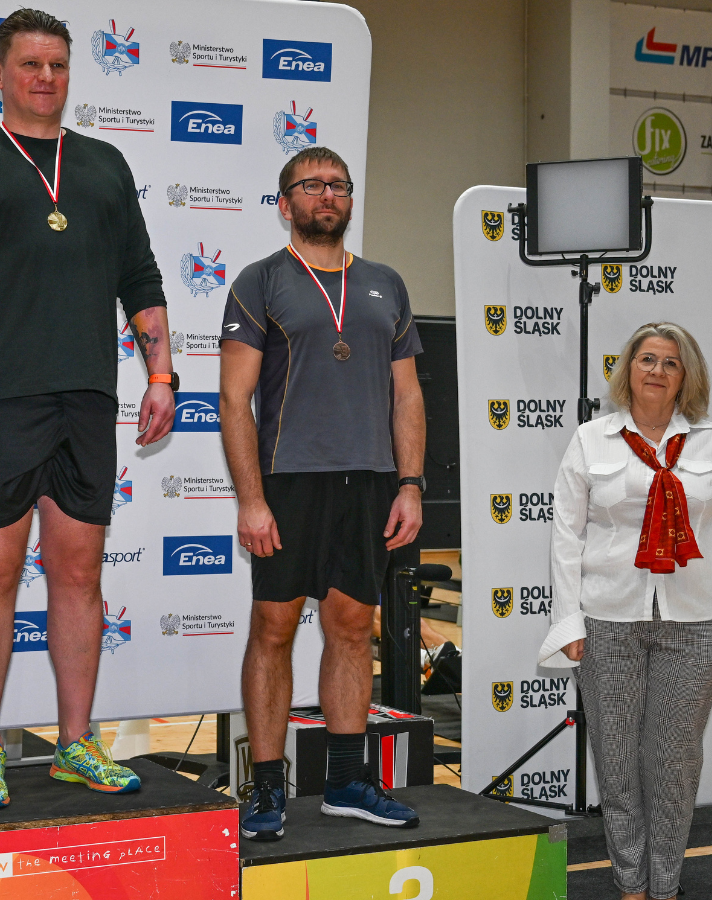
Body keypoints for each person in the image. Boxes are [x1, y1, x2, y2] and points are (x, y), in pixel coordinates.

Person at [0, 8, 175, 810]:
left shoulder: (104, 163)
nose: (46, 77)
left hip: (86, 398)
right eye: (30, 64)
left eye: (57, 65)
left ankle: (75, 742)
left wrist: (161, 374)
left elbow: (141, 275)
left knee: (80, 572)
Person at [220, 146, 426, 841]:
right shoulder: (260, 281)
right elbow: (234, 399)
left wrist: (410, 484)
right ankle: (266, 786)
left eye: (338, 185)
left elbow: (407, 395)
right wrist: (251, 500)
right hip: (288, 482)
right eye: (311, 185)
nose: (327, 195)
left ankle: (344, 783)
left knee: (351, 628)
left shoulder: (385, 283)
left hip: (369, 481)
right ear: (286, 203)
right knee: (273, 631)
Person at [539, 322, 712, 900]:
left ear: (686, 376)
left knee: (673, 764)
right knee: (616, 764)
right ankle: (630, 885)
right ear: (628, 369)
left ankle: (665, 886)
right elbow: (566, 536)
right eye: (646, 359)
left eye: (670, 362)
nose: (657, 371)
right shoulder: (591, 439)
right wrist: (568, 621)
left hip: (694, 625)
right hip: (606, 623)